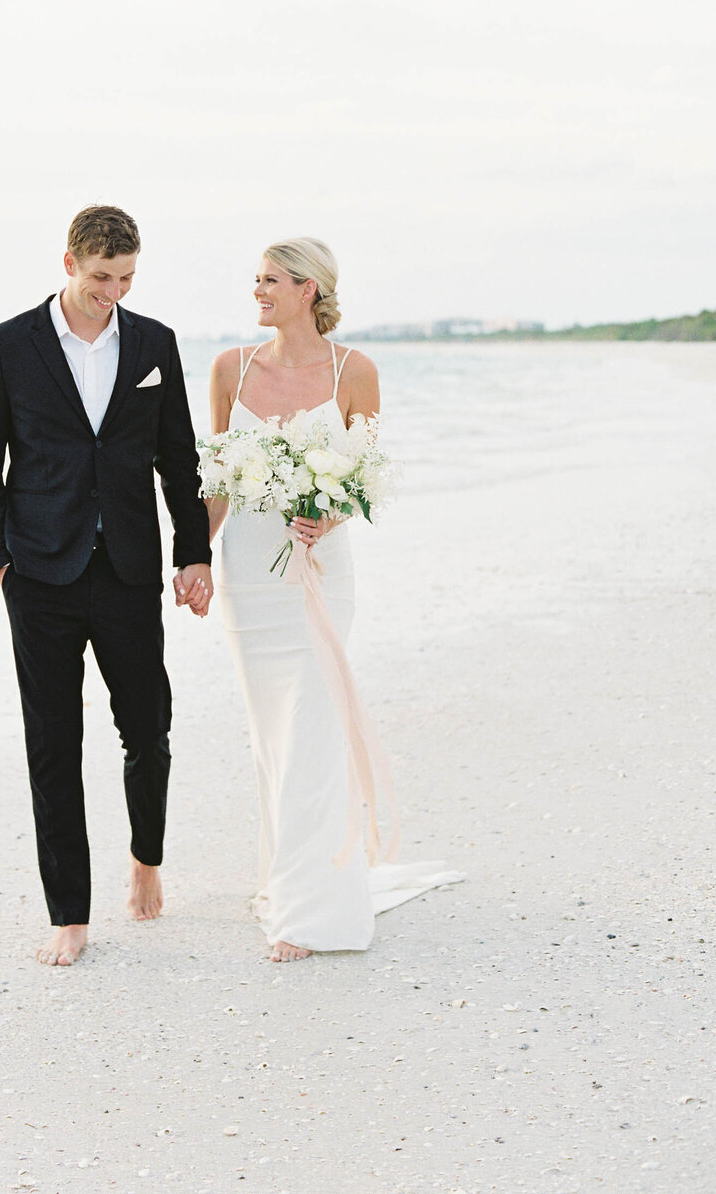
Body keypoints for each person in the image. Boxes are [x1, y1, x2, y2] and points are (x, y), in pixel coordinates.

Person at [0, 205, 213, 967]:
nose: (114, 291)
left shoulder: (154, 344)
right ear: (68, 262)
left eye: (127, 278)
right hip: (39, 575)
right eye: (102, 276)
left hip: (130, 571)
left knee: (149, 728)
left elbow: (179, 462)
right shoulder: (9, 345)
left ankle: (146, 855)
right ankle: (69, 912)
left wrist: (193, 553)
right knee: (52, 746)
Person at [208, 237, 462, 962]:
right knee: (272, 737)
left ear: (309, 290)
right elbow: (219, 480)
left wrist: (331, 512)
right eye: (255, 278)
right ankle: (283, 877)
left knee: (314, 730)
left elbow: (365, 476)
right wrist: (190, 558)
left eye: (272, 280)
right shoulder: (231, 367)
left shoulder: (357, 371)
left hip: (320, 572)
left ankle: (312, 914)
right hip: (250, 575)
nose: (258, 290)